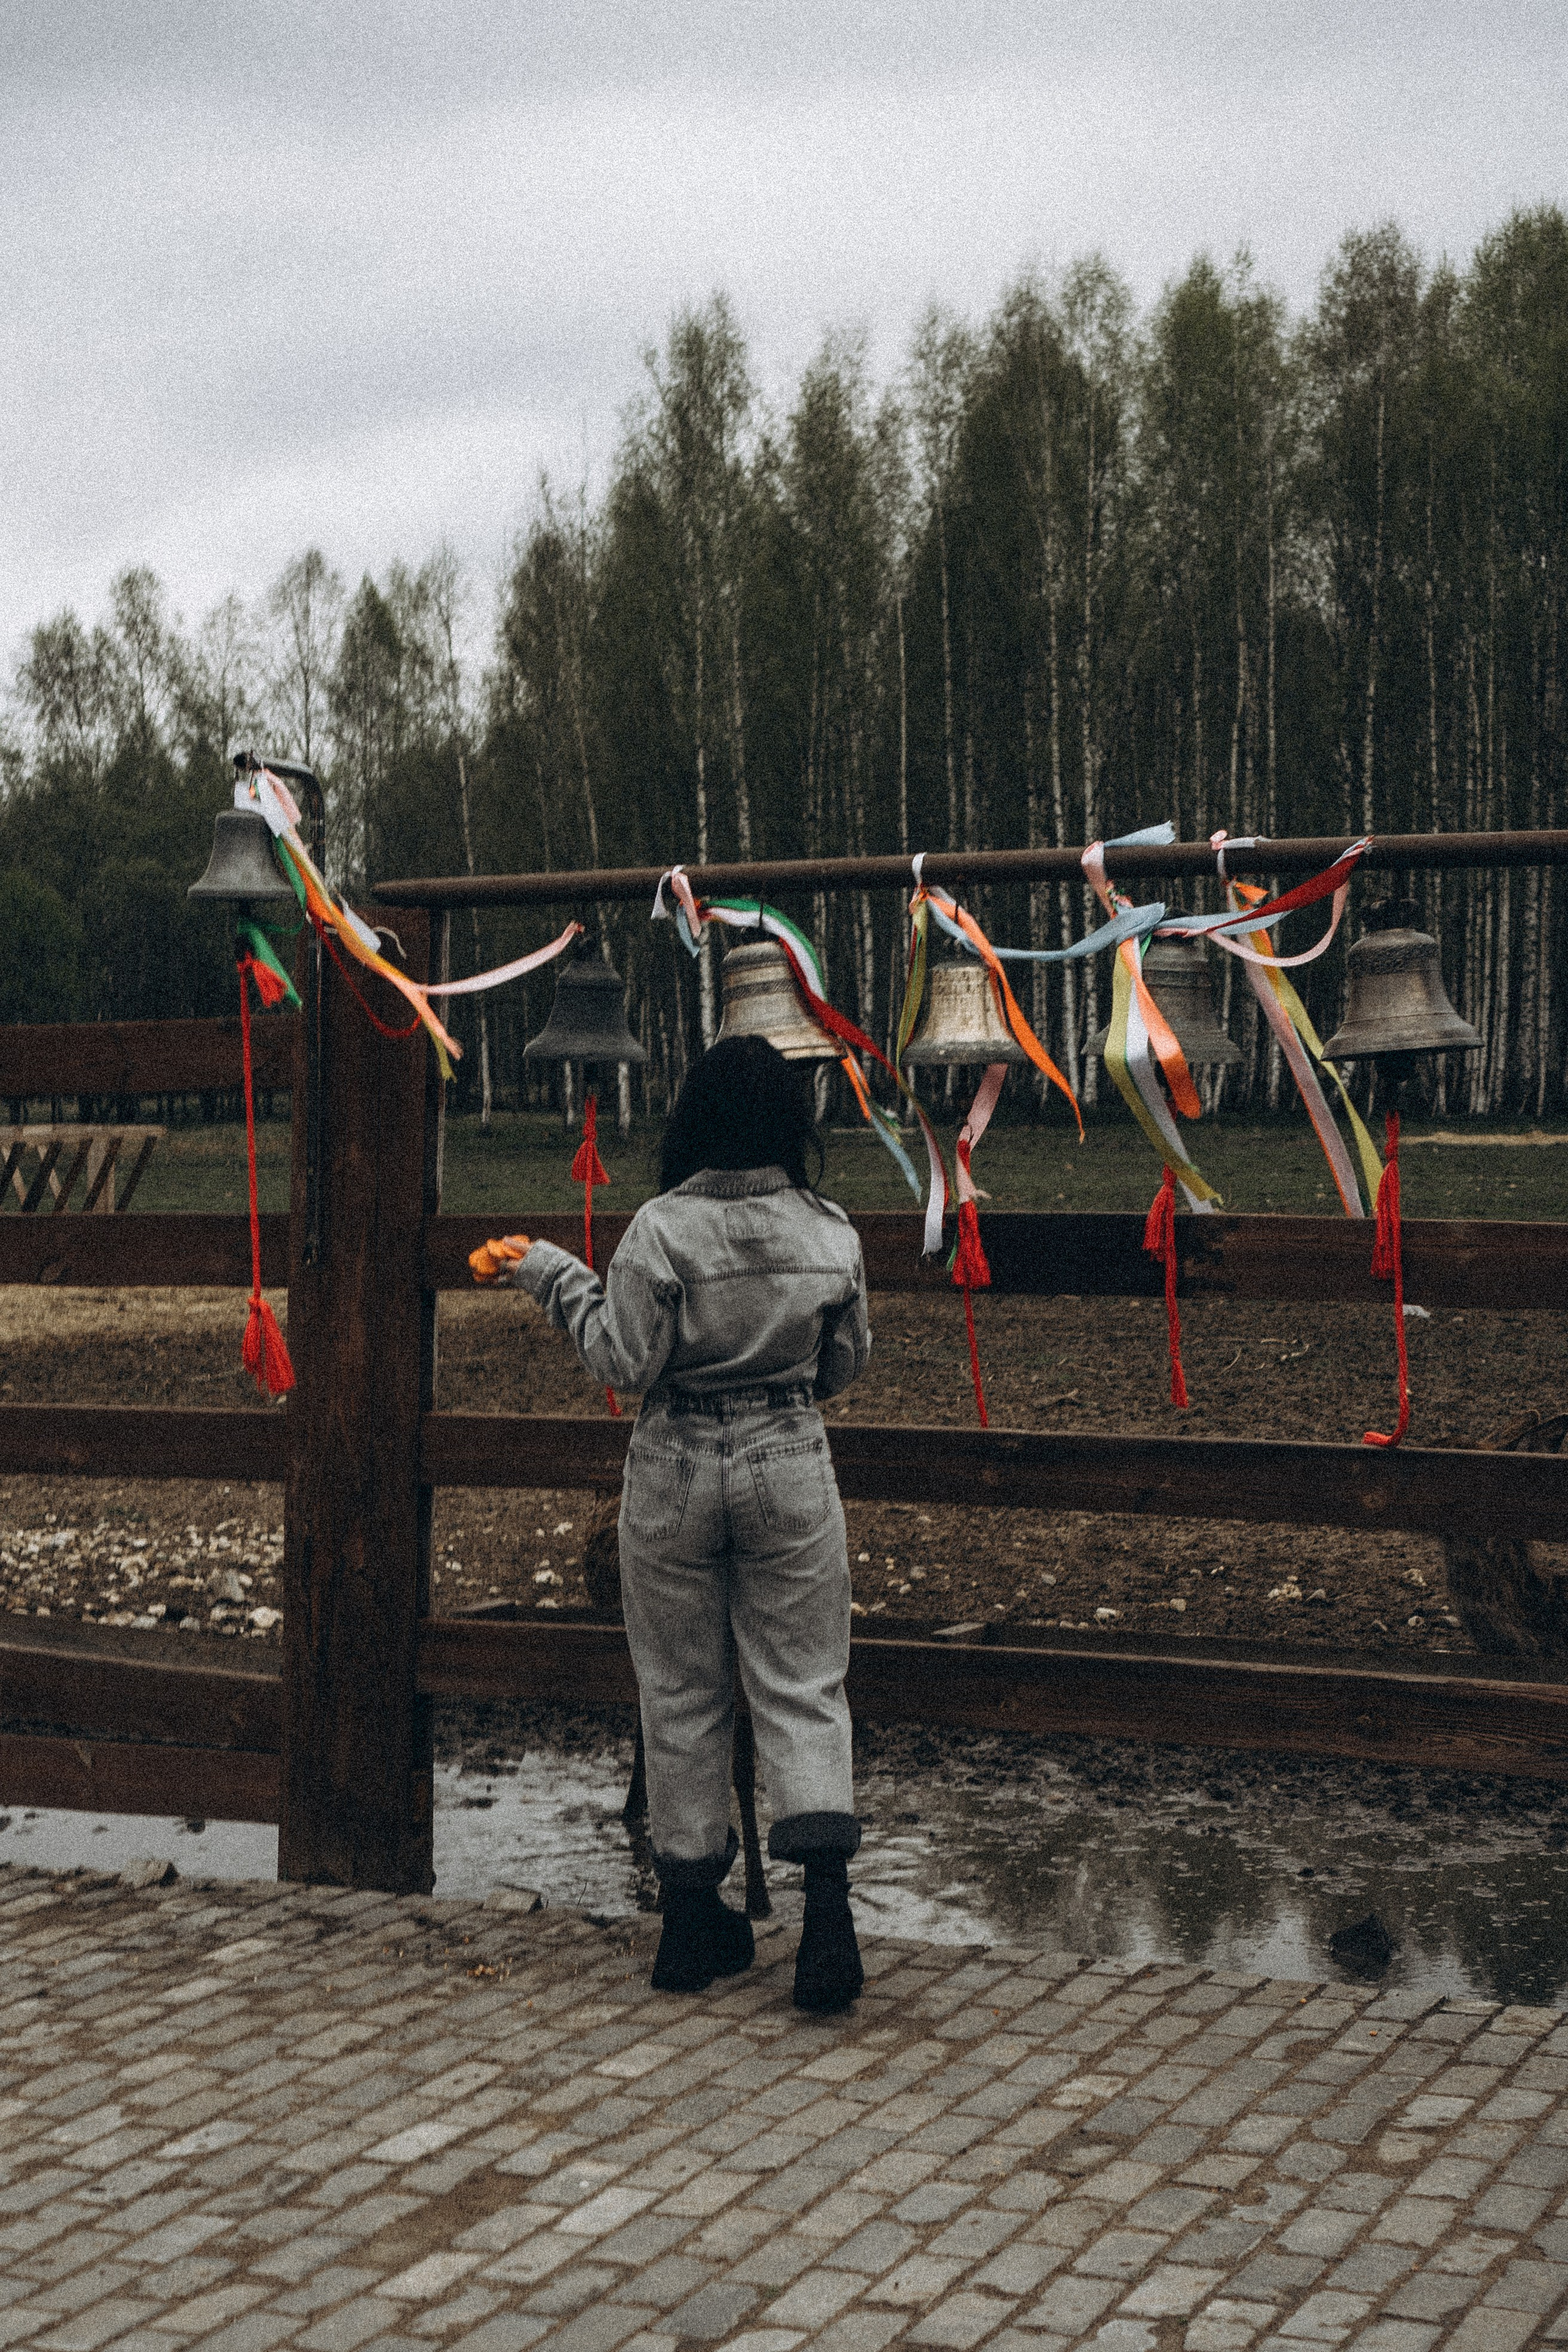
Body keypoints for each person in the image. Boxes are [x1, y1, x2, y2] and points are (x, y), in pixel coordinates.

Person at [470, 1035, 871, 2012]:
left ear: (694, 1116)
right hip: (787, 1460)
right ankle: (827, 1928)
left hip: (675, 1466)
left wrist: (554, 1272)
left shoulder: (658, 1230)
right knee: (804, 1683)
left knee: (682, 1689)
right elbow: (845, 1364)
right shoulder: (830, 1231)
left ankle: (691, 1925)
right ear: (790, 1122)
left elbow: (623, 1362)